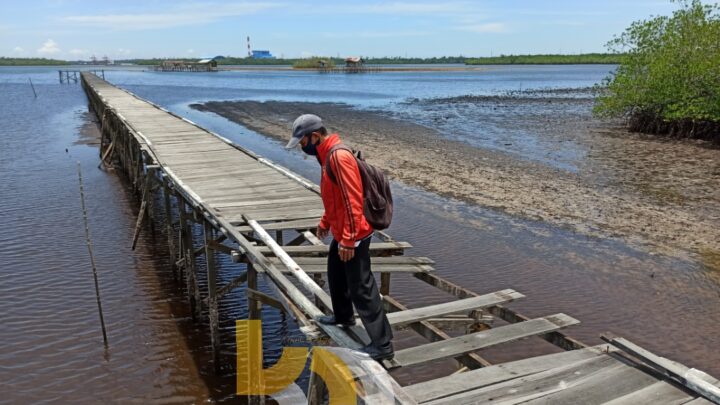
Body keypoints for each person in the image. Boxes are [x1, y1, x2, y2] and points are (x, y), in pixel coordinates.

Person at [285, 114, 394, 361]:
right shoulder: (326, 156)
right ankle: (343, 316)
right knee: (335, 272)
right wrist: (325, 222)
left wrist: (349, 240)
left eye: (302, 142)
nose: (302, 147)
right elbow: (335, 198)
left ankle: (383, 345)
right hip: (344, 227)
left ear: (315, 136)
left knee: (362, 286)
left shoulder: (338, 157)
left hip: (356, 232)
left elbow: (352, 200)